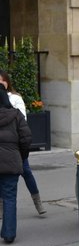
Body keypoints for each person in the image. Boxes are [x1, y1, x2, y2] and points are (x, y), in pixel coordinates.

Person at [0, 70, 45, 214]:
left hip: (15, 144)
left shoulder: (15, 98)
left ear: (7, 82)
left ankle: (37, 201)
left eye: (2, 80)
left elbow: (22, 121)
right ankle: (2, 207)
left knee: (26, 171)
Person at [0, 83, 32, 243]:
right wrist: (21, 155)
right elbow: (26, 138)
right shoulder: (16, 115)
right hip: (11, 162)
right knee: (9, 198)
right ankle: (9, 234)